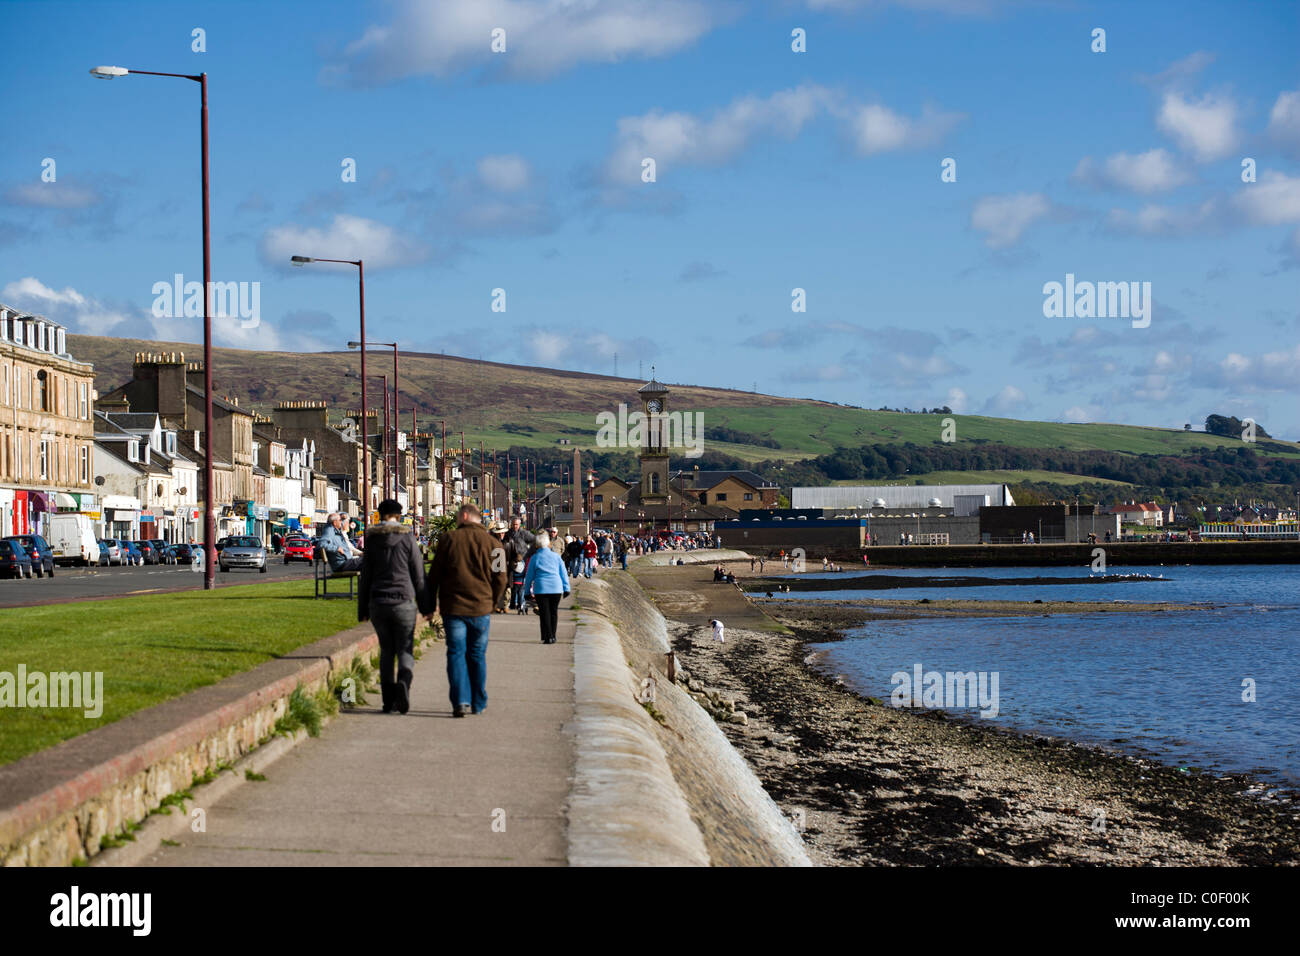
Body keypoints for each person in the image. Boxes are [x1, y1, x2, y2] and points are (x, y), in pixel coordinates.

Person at [425, 504, 507, 717]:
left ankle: (460, 701)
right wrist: (494, 602)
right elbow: (501, 578)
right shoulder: (495, 544)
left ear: (463, 516)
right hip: (481, 608)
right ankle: (478, 701)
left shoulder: (448, 540)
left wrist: (427, 605)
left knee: (456, 653)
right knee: (477, 655)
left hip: (453, 607)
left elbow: (434, 576)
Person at [358, 499, 431, 715]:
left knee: (386, 651)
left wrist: (362, 609)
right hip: (403, 601)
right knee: (405, 648)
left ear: (380, 515)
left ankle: (388, 701)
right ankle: (404, 682)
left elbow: (365, 577)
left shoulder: (371, 541)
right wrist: (426, 605)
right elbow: (419, 575)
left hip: (378, 602)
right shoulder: (408, 538)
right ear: (399, 516)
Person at [522, 530, 570, 644]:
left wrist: (527, 591)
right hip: (556, 588)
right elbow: (563, 573)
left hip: (541, 588)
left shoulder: (535, 558)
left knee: (544, 613)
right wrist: (566, 588)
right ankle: (553, 635)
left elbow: (529, 576)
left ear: (537, 545)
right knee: (553, 612)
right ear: (548, 544)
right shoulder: (556, 557)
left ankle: (547, 636)